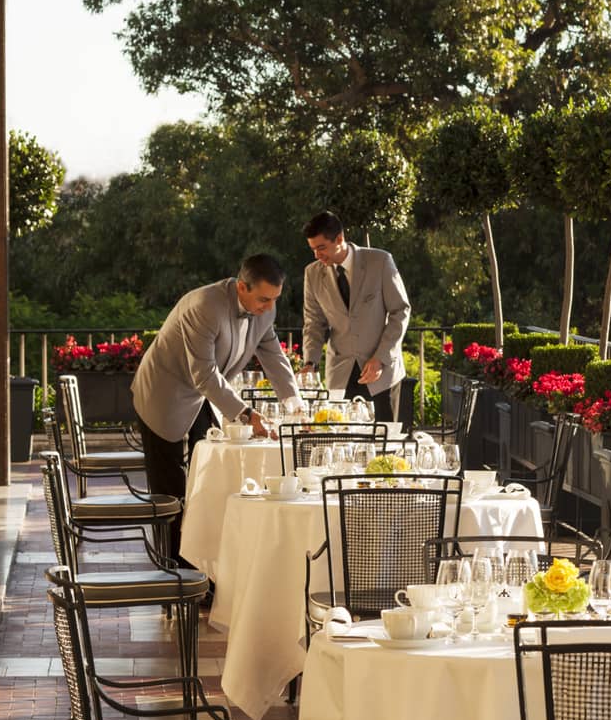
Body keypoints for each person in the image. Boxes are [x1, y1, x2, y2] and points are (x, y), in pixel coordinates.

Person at [132, 254, 300, 563]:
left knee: (205, 480)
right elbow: (205, 375)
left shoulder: (264, 310)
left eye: (274, 299)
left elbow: (274, 355)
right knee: (171, 489)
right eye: (263, 299)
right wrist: (248, 415)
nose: (268, 307)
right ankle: (175, 572)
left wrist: (294, 403)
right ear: (241, 287)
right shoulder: (204, 307)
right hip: (164, 394)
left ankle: (202, 563)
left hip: (201, 397)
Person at [300, 211, 411, 421]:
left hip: (382, 373)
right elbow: (314, 323)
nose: (317, 255)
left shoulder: (380, 261)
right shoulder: (312, 273)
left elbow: (400, 311)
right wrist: (310, 363)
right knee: (342, 444)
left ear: (339, 239)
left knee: (386, 443)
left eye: (321, 247)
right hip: (340, 374)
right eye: (313, 249)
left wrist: (381, 357)